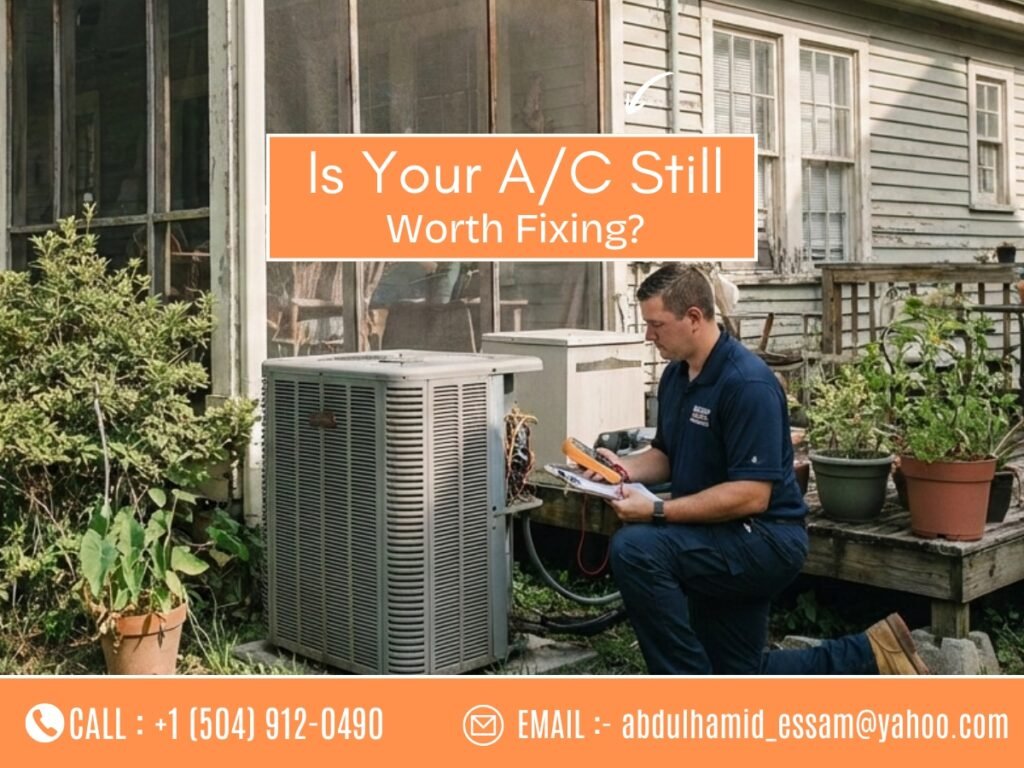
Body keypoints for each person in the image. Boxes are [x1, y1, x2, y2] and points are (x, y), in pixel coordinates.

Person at [594, 264, 928, 675]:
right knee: (738, 674)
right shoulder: (676, 377)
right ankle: (873, 654)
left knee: (635, 548)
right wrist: (622, 469)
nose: (649, 335)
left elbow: (752, 495)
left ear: (694, 318)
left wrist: (657, 511)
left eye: (656, 324)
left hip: (763, 539)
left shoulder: (747, 384)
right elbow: (667, 453)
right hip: (713, 532)